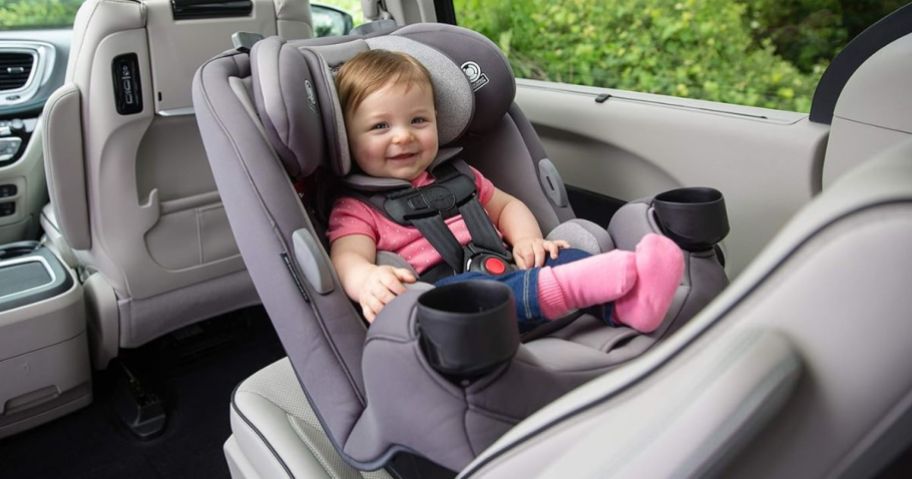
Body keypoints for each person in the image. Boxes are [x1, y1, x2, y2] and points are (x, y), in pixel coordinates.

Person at [327, 49, 684, 333]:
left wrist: (528, 240)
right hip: (454, 308)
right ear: (346, 138)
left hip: (507, 266)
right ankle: (581, 286)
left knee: (560, 256)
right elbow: (346, 257)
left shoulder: (460, 176)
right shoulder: (357, 208)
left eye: (418, 120)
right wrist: (366, 280)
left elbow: (507, 206)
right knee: (487, 294)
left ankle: (631, 304)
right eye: (380, 126)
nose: (403, 136)